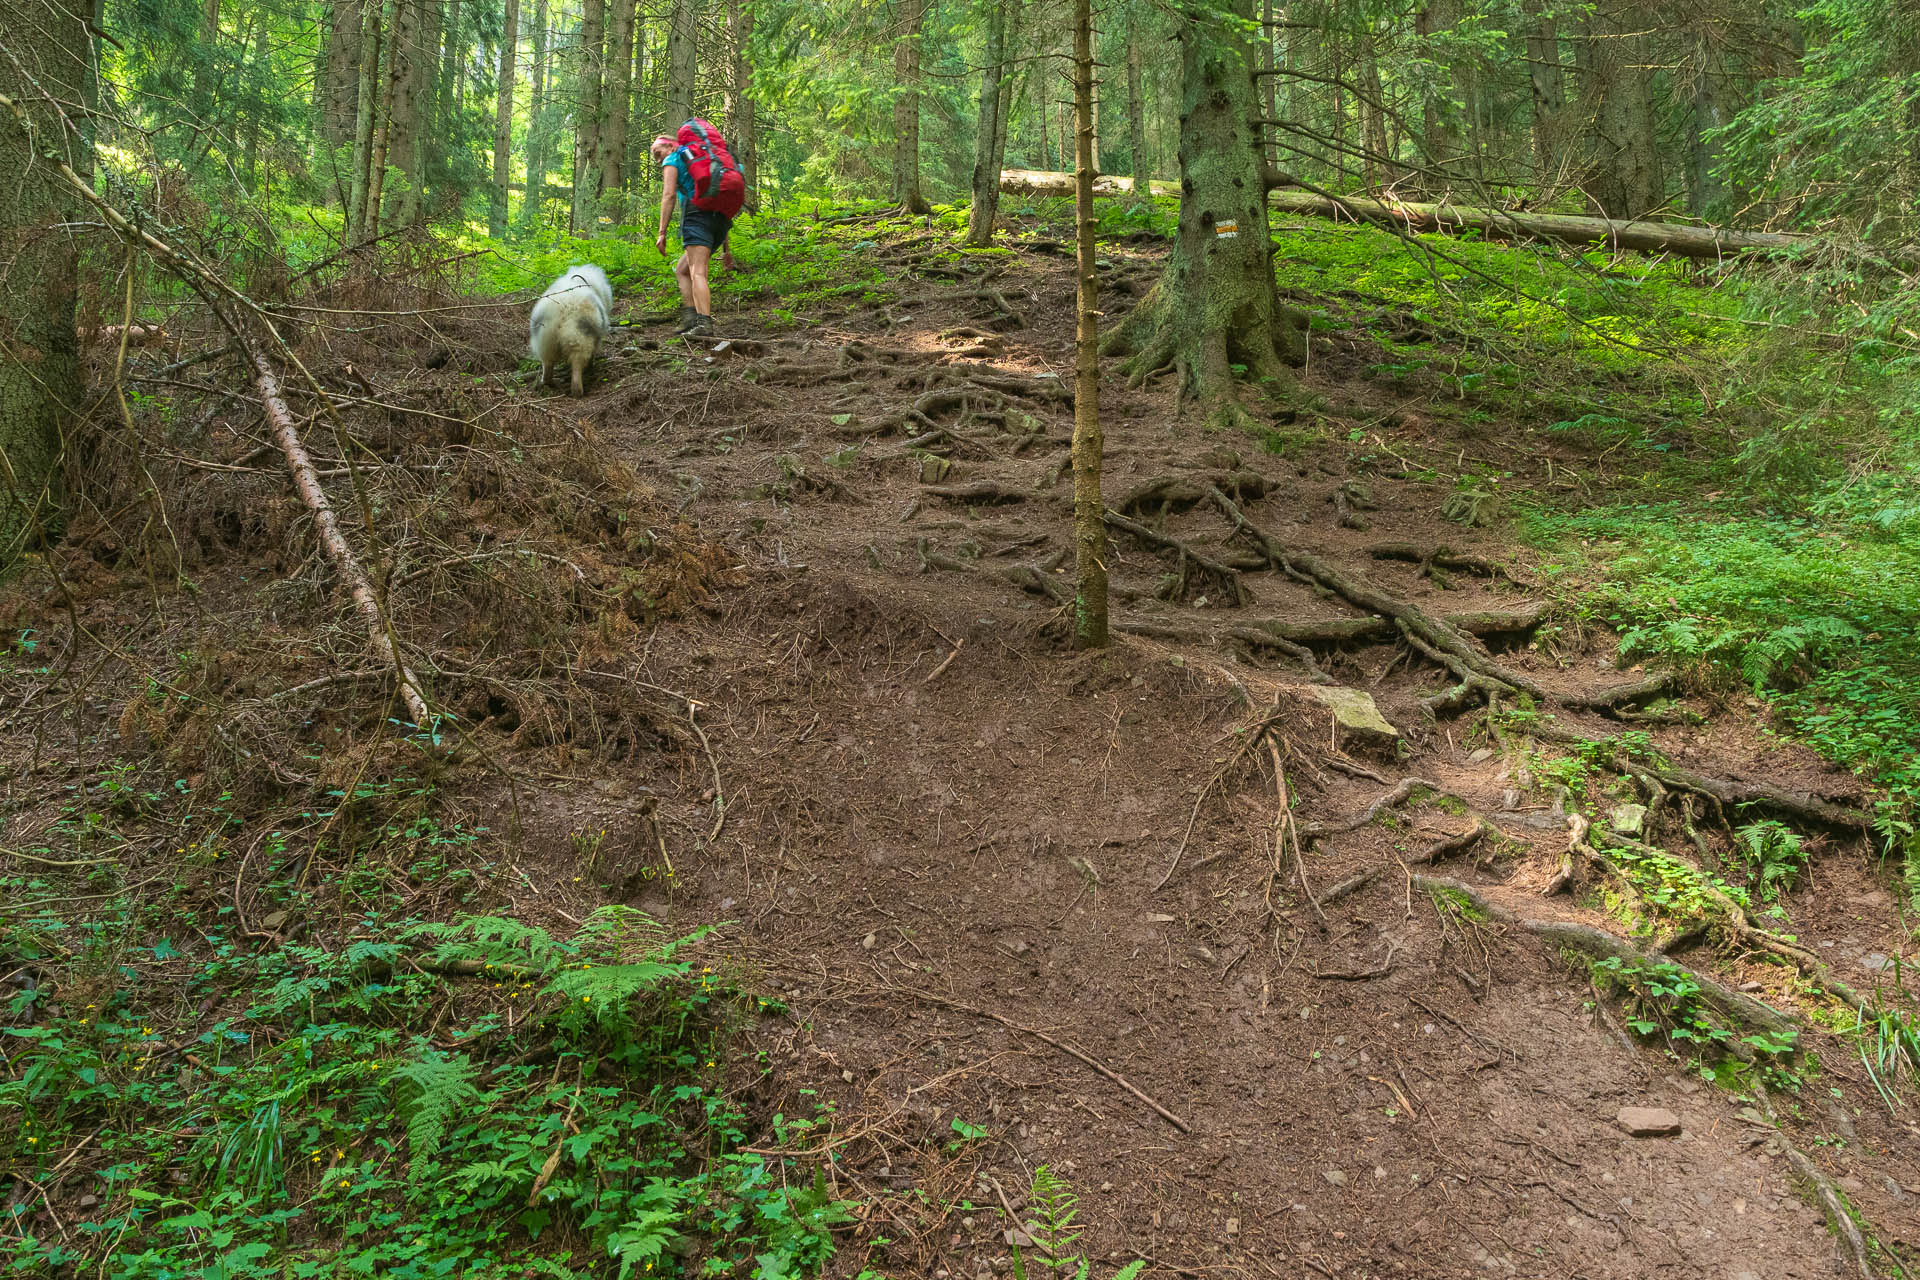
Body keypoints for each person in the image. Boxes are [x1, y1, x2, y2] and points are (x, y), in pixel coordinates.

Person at [652, 134, 740, 336]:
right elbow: (719, 205)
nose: (658, 161)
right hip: (720, 221)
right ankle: (691, 318)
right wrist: (727, 249)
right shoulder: (699, 167)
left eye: (658, 154)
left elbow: (669, 195)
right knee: (682, 270)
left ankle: (704, 325)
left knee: (697, 272)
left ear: (670, 146)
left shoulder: (673, 158)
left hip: (697, 216)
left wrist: (662, 233)